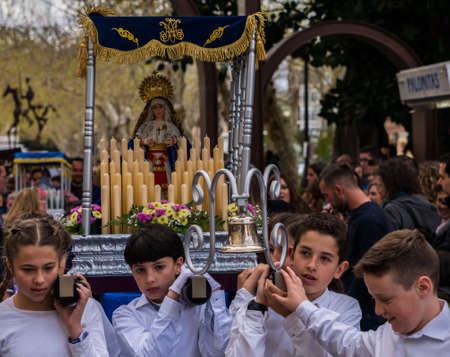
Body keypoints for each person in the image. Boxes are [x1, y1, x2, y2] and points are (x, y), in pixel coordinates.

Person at [266, 229, 450, 356]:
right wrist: (301, 308)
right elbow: (345, 342)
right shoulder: (387, 334)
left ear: (423, 287)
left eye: (385, 299)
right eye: (374, 299)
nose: (377, 310)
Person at [226, 213, 361, 357]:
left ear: (339, 269)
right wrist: (255, 308)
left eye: (325, 259)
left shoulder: (346, 308)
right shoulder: (263, 303)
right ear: (291, 255)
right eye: (305, 253)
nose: (312, 265)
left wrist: (295, 313)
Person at [112, 223, 231, 357]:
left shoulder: (199, 306)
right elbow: (150, 355)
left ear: (178, 265)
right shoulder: (125, 315)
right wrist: (172, 297)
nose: (149, 279)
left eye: (159, 267)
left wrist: (215, 296)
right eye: (140, 270)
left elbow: (218, 353)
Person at [0, 212, 109, 356]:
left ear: (62, 262)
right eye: (28, 270)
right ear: (10, 266)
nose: (39, 280)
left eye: (48, 268)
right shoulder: (3, 317)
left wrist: (75, 330)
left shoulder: (85, 310)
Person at [319, 163, 389, 330]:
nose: (327, 202)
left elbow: (366, 268)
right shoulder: (360, 216)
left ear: (339, 190)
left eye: (327, 196)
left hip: (363, 312)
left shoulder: (369, 220)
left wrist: (346, 301)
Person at [131, 72, 187, 193]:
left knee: (167, 182)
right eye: (154, 107)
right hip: (150, 160)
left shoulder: (171, 126)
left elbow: (182, 142)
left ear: (165, 108)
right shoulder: (145, 126)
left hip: (166, 159)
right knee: (150, 183)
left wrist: (174, 141)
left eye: (160, 107)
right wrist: (144, 141)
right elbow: (134, 141)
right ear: (150, 110)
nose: (158, 110)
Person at [378, 156, 441, 236]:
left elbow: (388, 245)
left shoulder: (391, 210)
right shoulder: (425, 201)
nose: (379, 190)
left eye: (380, 185)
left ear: (390, 184)